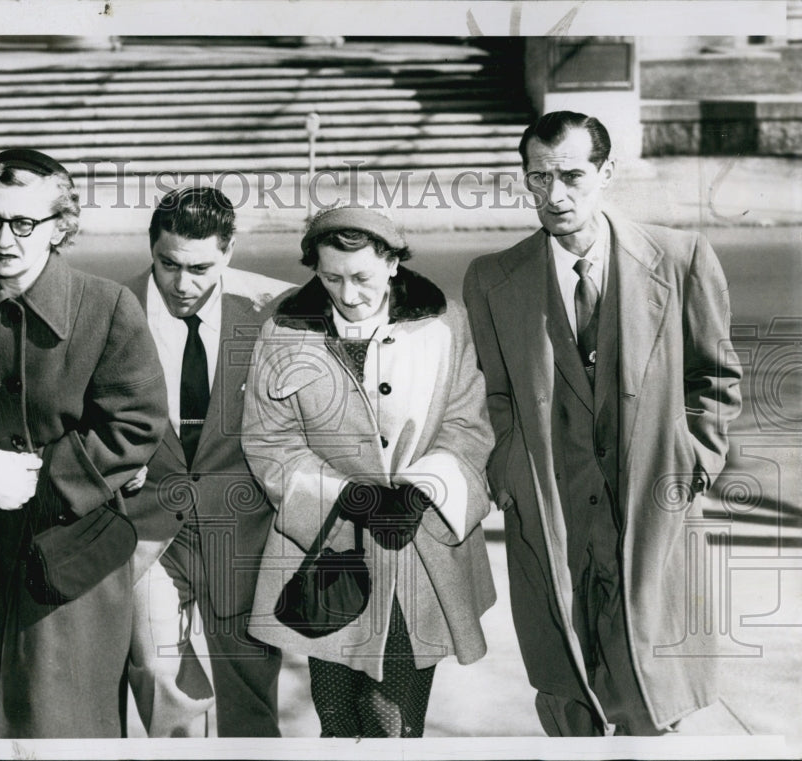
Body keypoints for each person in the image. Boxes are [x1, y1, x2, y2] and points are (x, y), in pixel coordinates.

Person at [463, 111, 743, 736]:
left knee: (649, 682)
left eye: (571, 175)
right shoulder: (492, 278)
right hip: (551, 506)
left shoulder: (680, 257)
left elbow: (715, 378)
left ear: (607, 173)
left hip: (648, 502)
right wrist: (509, 472)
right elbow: (492, 393)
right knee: (566, 688)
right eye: (538, 177)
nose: (554, 195)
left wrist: (693, 461)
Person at [0, 149, 168, 738]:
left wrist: (48, 476)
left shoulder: (107, 306)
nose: (6, 239)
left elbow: (137, 423)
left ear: (62, 225)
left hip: (73, 546)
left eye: (25, 224)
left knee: (64, 724)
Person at [242, 202, 496, 738]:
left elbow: (468, 426)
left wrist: (423, 489)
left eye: (362, 277)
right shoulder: (283, 328)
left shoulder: (444, 322)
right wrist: (343, 498)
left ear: (392, 263)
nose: (348, 293)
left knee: (392, 722)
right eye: (331, 277)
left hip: (416, 549)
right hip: (324, 558)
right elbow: (270, 441)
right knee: (335, 717)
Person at [122, 186, 291, 737]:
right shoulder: (110, 310)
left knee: (251, 700)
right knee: (161, 679)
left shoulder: (278, 312)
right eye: (167, 264)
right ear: (151, 249)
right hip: (146, 531)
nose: (183, 284)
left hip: (244, 532)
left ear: (230, 251)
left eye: (201, 268)